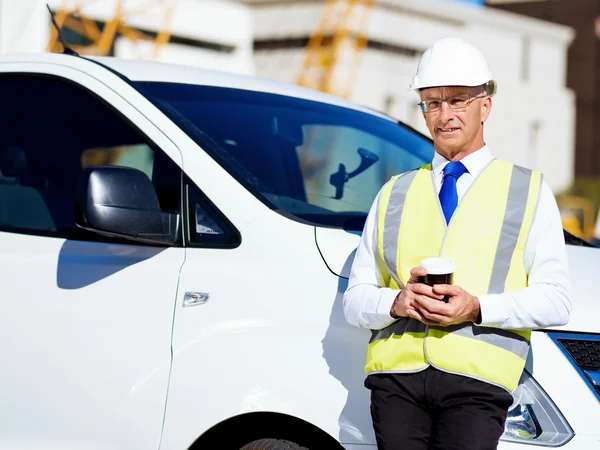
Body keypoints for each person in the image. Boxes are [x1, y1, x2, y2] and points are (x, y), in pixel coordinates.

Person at [343, 36, 572, 450]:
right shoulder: (392, 192)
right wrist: (397, 303)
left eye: (458, 100)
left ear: (486, 105)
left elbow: (556, 301)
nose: (444, 115)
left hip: (477, 384)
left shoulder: (529, 190)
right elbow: (355, 299)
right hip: (397, 383)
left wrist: (478, 307)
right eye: (432, 102)